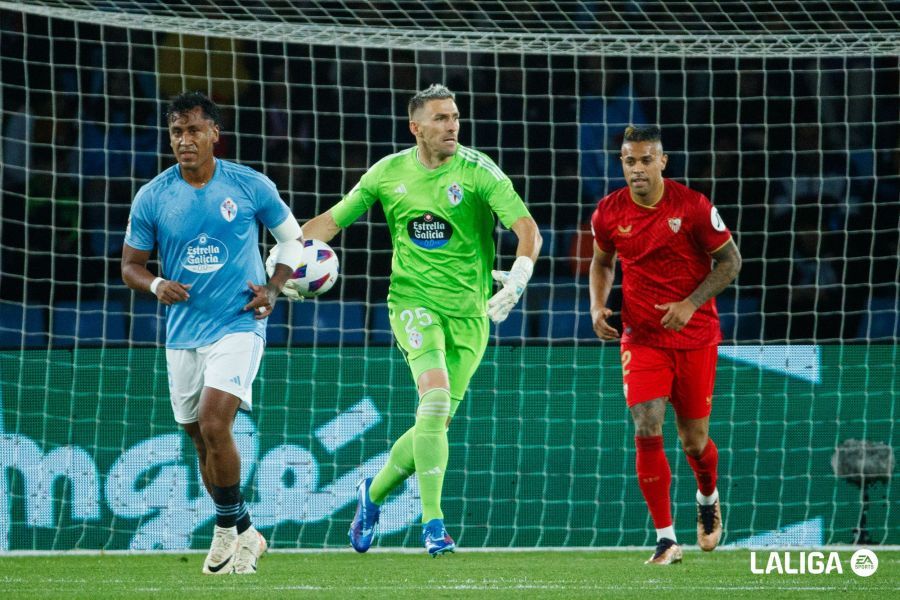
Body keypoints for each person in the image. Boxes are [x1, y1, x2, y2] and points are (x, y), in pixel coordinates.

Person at [300, 84, 542, 556]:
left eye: (455, 117)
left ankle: (371, 495)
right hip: (412, 303)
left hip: (470, 314)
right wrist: (282, 261)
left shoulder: (477, 170)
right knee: (433, 403)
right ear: (416, 127)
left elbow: (526, 228)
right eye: (440, 118)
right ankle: (434, 524)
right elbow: (330, 222)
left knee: (435, 425)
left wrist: (518, 278)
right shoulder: (388, 172)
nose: (452, 126)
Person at [121, 91, 307, 574]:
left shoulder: (249, 185)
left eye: (194, 130)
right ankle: (246, 530)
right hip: (183, 332)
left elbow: (293, 240)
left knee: (213, 422)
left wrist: (274, 288)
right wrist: (156, 284)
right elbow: (130, 266)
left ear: (213, 135)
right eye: (176, 132)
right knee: (201, 440)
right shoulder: (153, 196)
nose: (184, 140)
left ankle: (225, 530)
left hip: (239, 323)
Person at [588, 125, 742, 565]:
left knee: (694, 442)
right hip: (642, 337)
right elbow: (602, 262)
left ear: (662, 161)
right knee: (646, 424)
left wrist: (691, 304)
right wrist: (597, 305)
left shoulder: (693, 207)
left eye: (645, 160)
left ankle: (708, 496)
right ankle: (666, 539)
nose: (637, 169)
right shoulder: (608, 212)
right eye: (629, 161)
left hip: (695, 336)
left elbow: (731, 261)